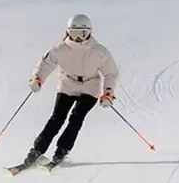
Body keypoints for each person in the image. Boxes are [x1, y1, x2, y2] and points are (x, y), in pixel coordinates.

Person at [20, 13, 119, 169]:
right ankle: (36, 151)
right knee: (57, 118)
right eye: (74, 33)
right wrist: (37, 78)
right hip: (68, 84)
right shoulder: (60, 49)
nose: (78, 38)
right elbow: (45, 64)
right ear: (67, 32)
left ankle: (61, 151)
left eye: (82, 33)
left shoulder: (99, 51)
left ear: (89, 32)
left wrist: (108, 92)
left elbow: (110, 72)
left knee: (76, 117)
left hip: (90, 86)